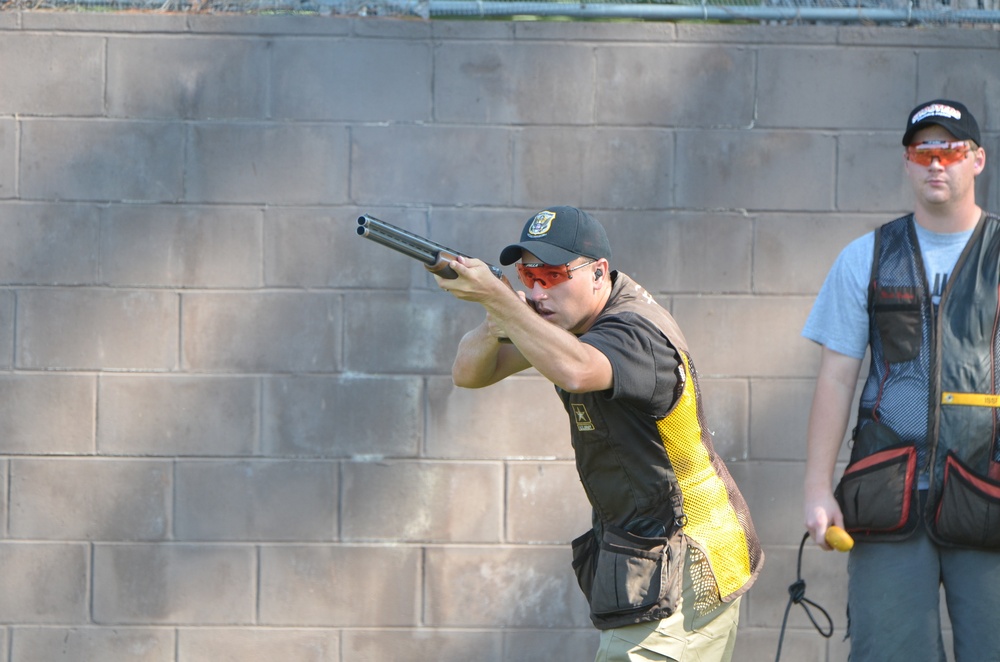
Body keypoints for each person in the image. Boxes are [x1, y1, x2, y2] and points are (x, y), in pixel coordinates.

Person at [433, 206, 763, 662]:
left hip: (687, 559)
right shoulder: (567, 322)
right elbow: (468, 373)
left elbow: (576, 369)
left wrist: (504, 302)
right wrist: (498, 314)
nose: (536, 289)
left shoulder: (635, 331)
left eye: (551, 273)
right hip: (662, 548)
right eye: (527, 274)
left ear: (598, 274)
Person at [802, 99, 1000, 661]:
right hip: (889, 499)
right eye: (923, 152)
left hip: (990, 494)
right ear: (908, 162)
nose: (936, 163)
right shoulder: (865, 257)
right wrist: (818, 489)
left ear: (977, 160)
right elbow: (836, 380)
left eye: (951, 150)